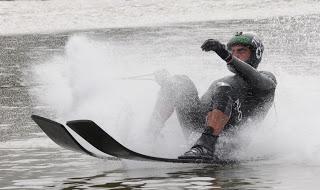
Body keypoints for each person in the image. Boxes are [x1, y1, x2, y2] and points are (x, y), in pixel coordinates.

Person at [149, 32, 277, 160]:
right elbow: (201, 110)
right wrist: (168, 83)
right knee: (178, 81)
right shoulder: (223, 81)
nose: (235, 54)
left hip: (229, 144)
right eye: (232, 51)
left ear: (255, 55)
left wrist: (225, 55)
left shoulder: (266, 79)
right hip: (196, 135)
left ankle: (205, 146)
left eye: (241, 51)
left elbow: (255, 78)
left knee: (223, 87)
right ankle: (149, 138)